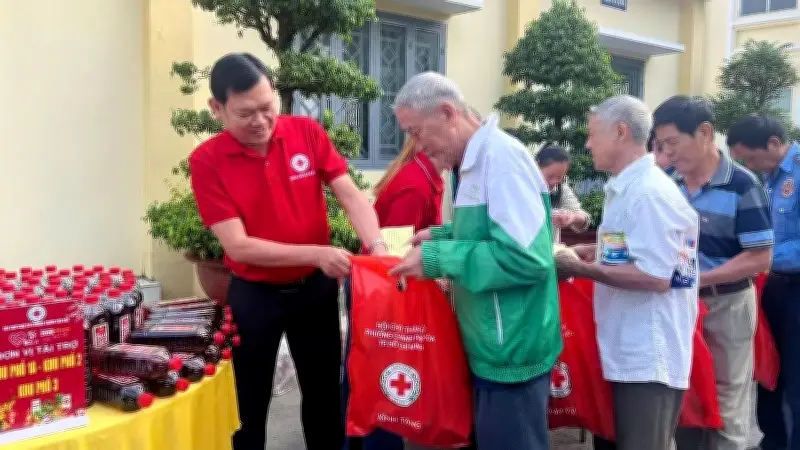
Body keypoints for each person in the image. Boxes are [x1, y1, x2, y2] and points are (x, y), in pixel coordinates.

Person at [188, 53, 387, 450]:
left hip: (314, 292)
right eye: (246, 113)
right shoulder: (207, 161)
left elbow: (350, 194)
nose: (261, 121)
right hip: (254, 296)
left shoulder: (306, 133)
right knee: (248, 402)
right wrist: (317, 254)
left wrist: (377, 247)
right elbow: (238, 245)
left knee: (323, 394)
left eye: (267, 106)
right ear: (217, 108)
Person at [389, 72, 561, 450]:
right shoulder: (469, 164)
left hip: (511, 351)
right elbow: (487, 232)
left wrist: (436, 257)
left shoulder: (502, 161)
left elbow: (526, 258)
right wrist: (441, 235)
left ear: (447, 113)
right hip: (491, 343)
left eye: (417, 132)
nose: (416, 146)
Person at [556, 95, 699, 450]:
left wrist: (580, 268)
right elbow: (634, 251)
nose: (587, 144)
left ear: (620, 132)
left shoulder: (649, 193)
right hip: (623, 348)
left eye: (592, 134)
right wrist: (597, 252)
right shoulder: (626, 188)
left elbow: (656, 276)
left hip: (646, 357)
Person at [653, 96, 774, 450]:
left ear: (705, 133)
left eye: (673, 142)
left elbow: (759, 257)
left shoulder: (742, 185)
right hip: (678, 305)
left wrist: (698, 279)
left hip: (727, 304)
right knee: (683, 392)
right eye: (661, 145)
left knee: (726, 398)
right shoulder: (667, 183)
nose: (668, 152)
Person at [341, 138, 445, 450]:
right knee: (380, 371)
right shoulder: (416, 185)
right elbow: (396, 250)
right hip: (381, 287)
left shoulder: (428, 178)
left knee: (366, 369)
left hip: (378, 283)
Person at [727, 114, 800, 450]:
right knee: (769, 370)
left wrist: (761, 255)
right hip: (771, 286)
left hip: (796, 289)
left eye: (751, 158)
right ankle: (772, 441)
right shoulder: (767, 178)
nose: (749, 166)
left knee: (796, 376)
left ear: (773, 143)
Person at [535, 144, 591, 242]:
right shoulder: (519, 187)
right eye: (550, 176)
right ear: (536, 165)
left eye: (560, 177)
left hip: (550, 250)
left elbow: (583, 219)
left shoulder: (561, 189)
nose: (554, 182)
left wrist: (572, 217)